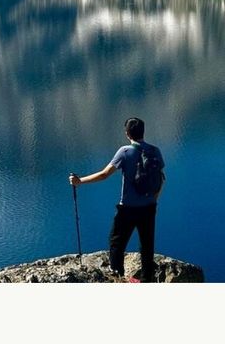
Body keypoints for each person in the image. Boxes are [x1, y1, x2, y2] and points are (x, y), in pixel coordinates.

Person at [69, 116, 165, 282]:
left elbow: (104, 174)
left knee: (116, 243)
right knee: (147, 246)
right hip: (149, 207)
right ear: (143, 132)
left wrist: (79, 182)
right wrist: (153, 200)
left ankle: (118, 276)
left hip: (127, 209)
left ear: (127, 133)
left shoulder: (125, 151)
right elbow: (162, 179)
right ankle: (147, 280)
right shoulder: (155, 151)